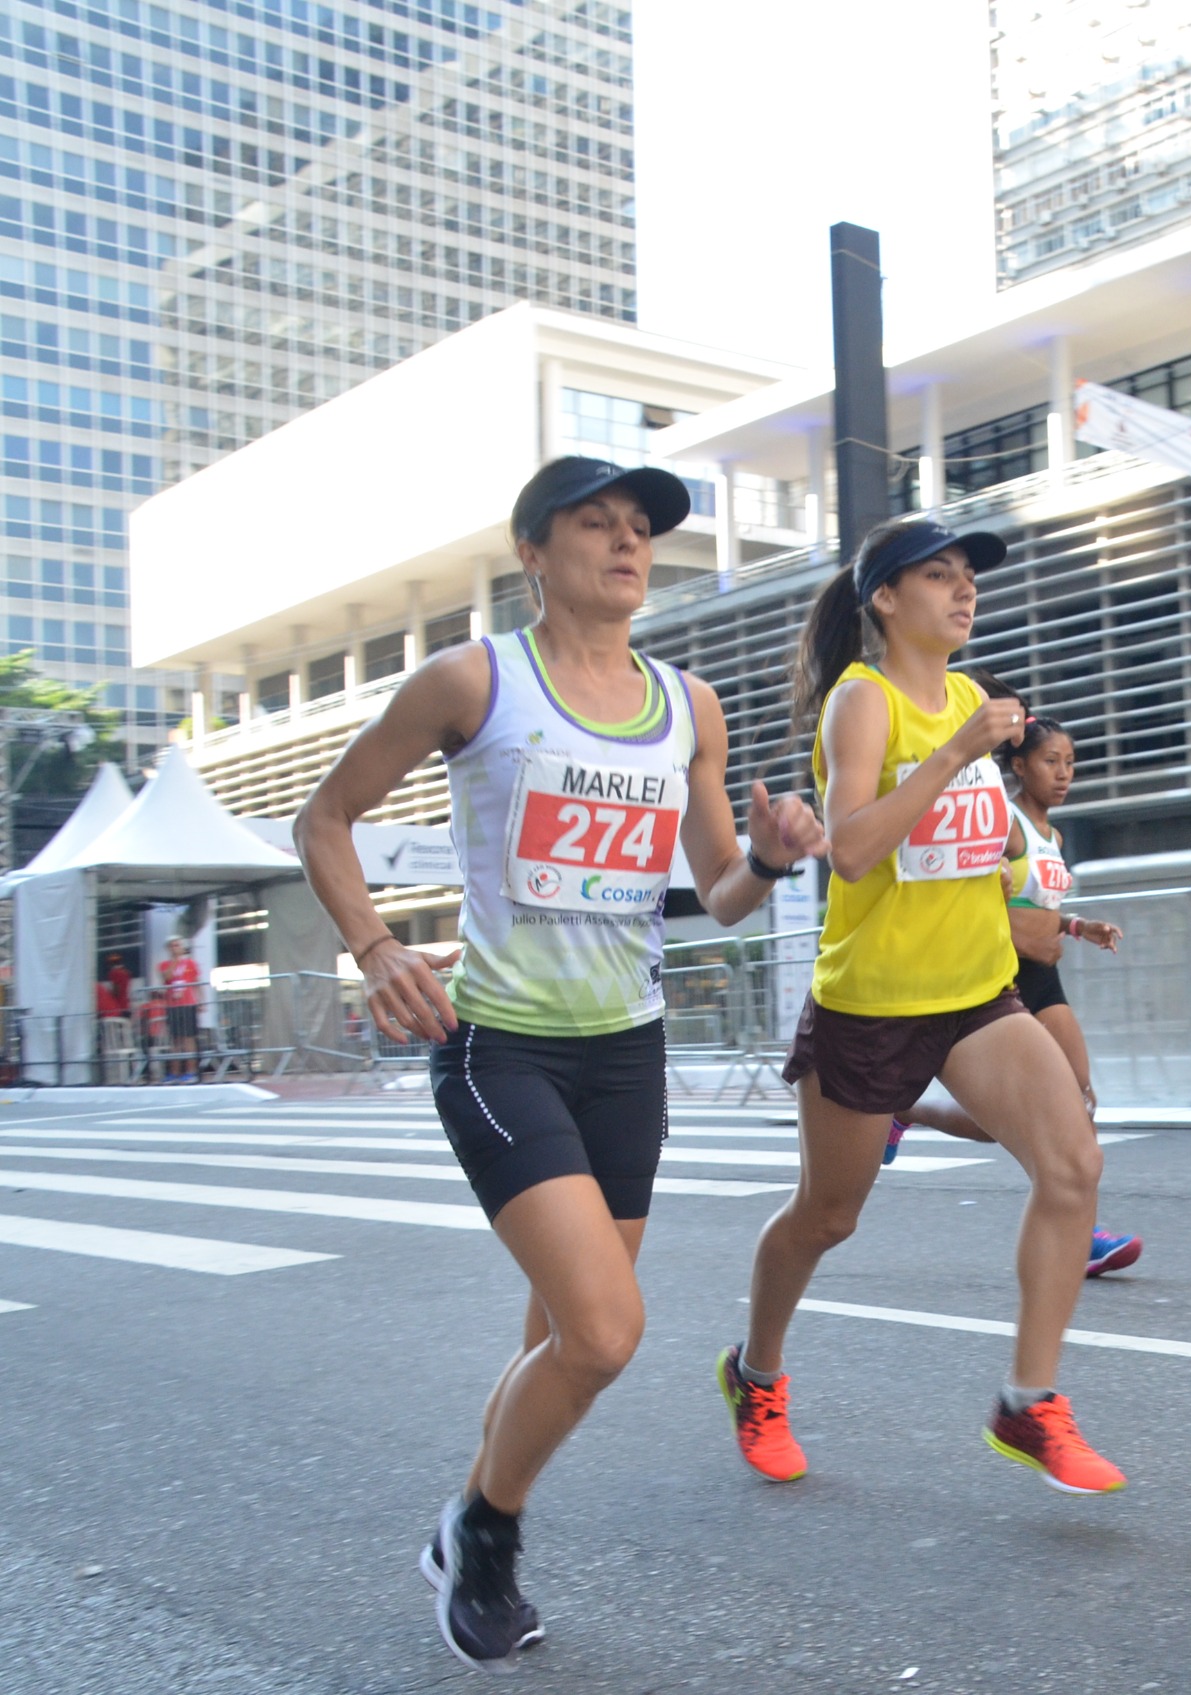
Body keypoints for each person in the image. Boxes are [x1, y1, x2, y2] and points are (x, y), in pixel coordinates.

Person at [295, 455, 827, 1672]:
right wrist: (375, 948)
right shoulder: (472, 682)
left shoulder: (688, 705)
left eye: (641, 528)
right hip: (498, 1045)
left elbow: (722, 895)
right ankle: (482, 1532)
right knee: (601, 1333)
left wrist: (775, 855)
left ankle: (477, 1516)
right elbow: (324, 819)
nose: (629, 544)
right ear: (534, 552)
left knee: (560, 1338)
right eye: (598, 524)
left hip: (625, 1055)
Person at [716, 516, 1123, 1498]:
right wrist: (950, 755)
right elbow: (851, 848)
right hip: (872, 1003)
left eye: (968, 578)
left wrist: (1058, 915)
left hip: (977, 995)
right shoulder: (864, 704)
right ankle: (755, 1375)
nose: (963, 590)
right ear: (886, 601)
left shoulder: (975, 698)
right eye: (937, 577)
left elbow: (987, 847)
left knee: (1073, 1165)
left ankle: (1029, 1401)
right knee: (826, 1217)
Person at [890, 675, 1140, 1277]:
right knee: (1048, 1108)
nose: (1063, 772)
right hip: (1002, 974)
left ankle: (911, 1111)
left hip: (1044, 977)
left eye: (1071, 762)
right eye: (1050, 760)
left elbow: (1042, 908)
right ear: (1020, 766)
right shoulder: (1003, 821)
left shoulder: (1052, 834)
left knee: (1070, 1098)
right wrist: (1011, 910)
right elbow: (977, 888)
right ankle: (1078, 1230)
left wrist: (1079, 928)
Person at [155, 933, 203, 1081]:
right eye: (172, 946)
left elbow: (197, 984)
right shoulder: (163, 965)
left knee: (189, 1038)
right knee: (175, 1040)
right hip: (173, 1005)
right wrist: (175, 961)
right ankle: (174, 1072)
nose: (175, 948)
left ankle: (191, 1071)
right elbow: (167, 978)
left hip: (188, 1003)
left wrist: (200, 1001)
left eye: (177, 945)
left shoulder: (191, 964)